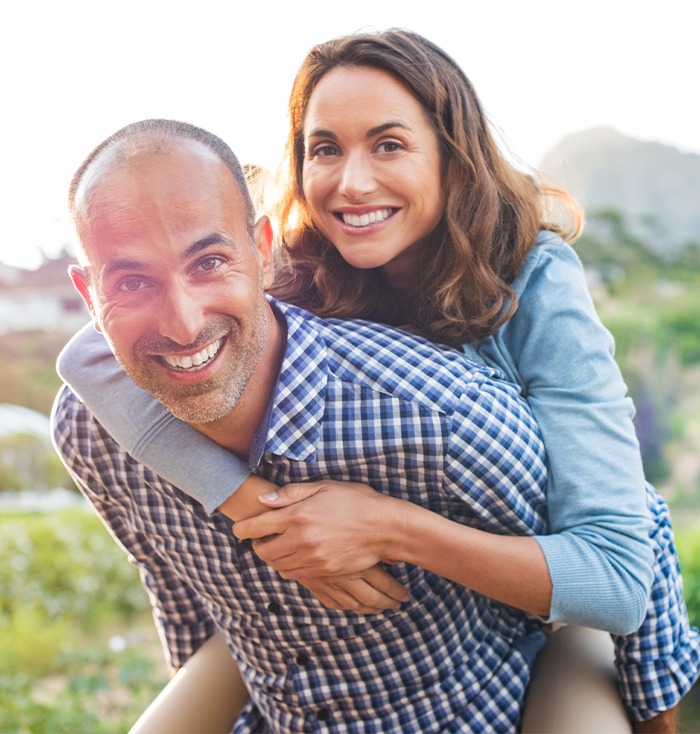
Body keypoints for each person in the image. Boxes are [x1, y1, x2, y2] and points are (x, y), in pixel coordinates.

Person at [55, 29, 700, 731]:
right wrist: (248, 504)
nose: (351, 182)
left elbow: (619, 547)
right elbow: (89, 361)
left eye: (388, 144)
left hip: (523, 604)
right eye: (325, 148)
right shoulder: (292, 268)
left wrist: (388, 526)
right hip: (335, 632)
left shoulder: (533, 284)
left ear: (451, 157)